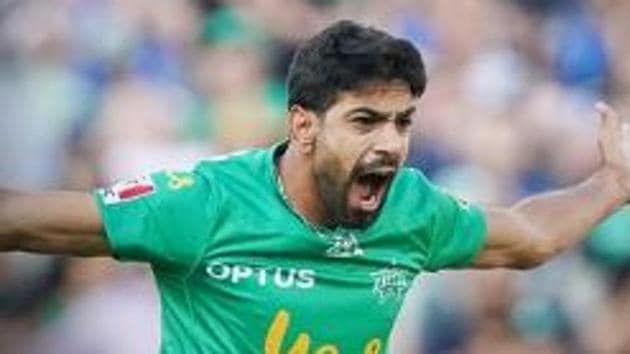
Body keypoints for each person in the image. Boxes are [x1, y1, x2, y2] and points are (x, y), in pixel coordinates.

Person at [1, 20, 629, 354]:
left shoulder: (409, 207)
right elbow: (29, 220)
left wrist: (613, 182)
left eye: (402, 121)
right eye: (364, 120)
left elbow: (528, 236)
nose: (390, 142)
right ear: (303, 125)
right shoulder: (206, 202)